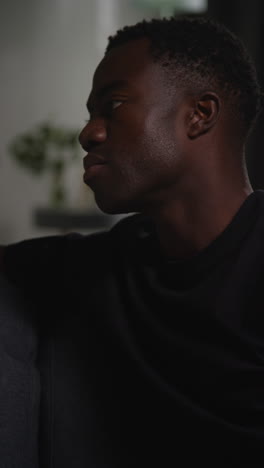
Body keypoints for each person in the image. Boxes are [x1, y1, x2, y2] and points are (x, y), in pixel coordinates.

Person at [1, 14, 264, 467]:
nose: (89, 133)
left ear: (199, 115)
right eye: (90, 114)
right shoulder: (91, 268)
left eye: (114, 105)